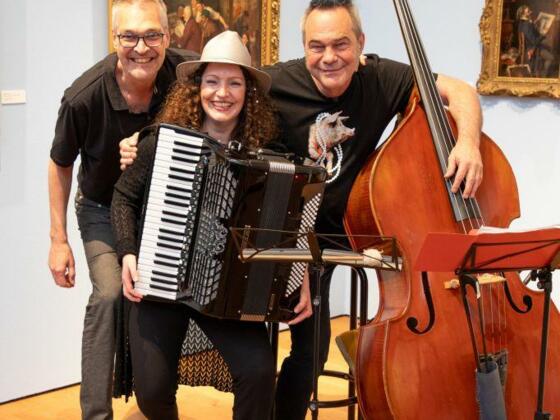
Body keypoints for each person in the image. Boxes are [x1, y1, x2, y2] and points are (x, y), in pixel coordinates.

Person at [120, 1, 484, 419]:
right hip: (279, 242)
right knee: (205, 373)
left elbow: (459, 90)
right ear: (304, 47)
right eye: (317, 45)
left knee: (308, 353)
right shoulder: (273, 82)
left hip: (326, 238)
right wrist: (141, 141)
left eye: (341, 44)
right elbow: (208, 92)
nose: (329, 57)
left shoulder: (382, 78)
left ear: (360, 44)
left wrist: (468, 143)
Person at [111, 30, 308, 420]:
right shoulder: (162, 144)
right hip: (162, 285)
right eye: (213, 81)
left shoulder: (268, 157)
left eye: (234, 83)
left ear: (248, 93)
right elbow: (123, 197)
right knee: (151, 392)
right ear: (197, 88)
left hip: (229, 296)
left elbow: (290, 224)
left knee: (258, 372)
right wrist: (128, 252)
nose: (222, 93)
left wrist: (297, 273)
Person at [47, 0, 196, 418]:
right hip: (101, 208)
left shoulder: (189, 75)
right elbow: (59, 164)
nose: (141, 47)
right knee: (110, 294)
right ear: (115, 39)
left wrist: (149, 139)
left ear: (168, 36)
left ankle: (158, 403)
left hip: (162, 208)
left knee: (167, 298)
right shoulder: (83, 96)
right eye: (129, 36)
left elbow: (230, 96)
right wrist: (58, 240)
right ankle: (96, 414)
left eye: (151, 35)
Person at [515, 4, 554, 77]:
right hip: (533, 49)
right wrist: (543, 35)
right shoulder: (526, 25)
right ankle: (543, 75)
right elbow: (534, 41)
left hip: (531, 46)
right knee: (551, 58)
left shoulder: (522, 23)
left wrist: (533, 24)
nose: (531, 12)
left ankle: (541, 71)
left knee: (548, 45)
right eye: (528, 12)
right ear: (523, 14)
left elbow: (530, 33)